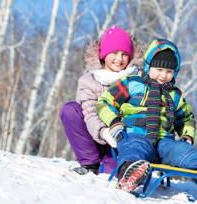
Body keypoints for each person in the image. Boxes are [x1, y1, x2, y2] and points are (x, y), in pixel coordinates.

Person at [96, 39, 197, 204]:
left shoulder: (174, 95)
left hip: (165, 142)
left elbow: (186, 118)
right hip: (136, 133)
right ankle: (130, 173)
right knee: (134, 147)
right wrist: (114, 123)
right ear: (148, 66)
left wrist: (187, 135)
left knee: (189, 154)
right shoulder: (132, 83)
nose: (163, 75)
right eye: (158, 69)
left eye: (169, 71)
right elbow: (105, 102)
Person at [60, 25, 143, 175]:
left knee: (111, 172)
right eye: (114, 53)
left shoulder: (136, 81)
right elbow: (90, 113)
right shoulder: (89, 81)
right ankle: (90, 163)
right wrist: (103, 132)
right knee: (71, 110)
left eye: (124, 54)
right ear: (104, 55)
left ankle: (119, 163)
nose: (119, 59)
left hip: (123, 141)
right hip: (98, 135)